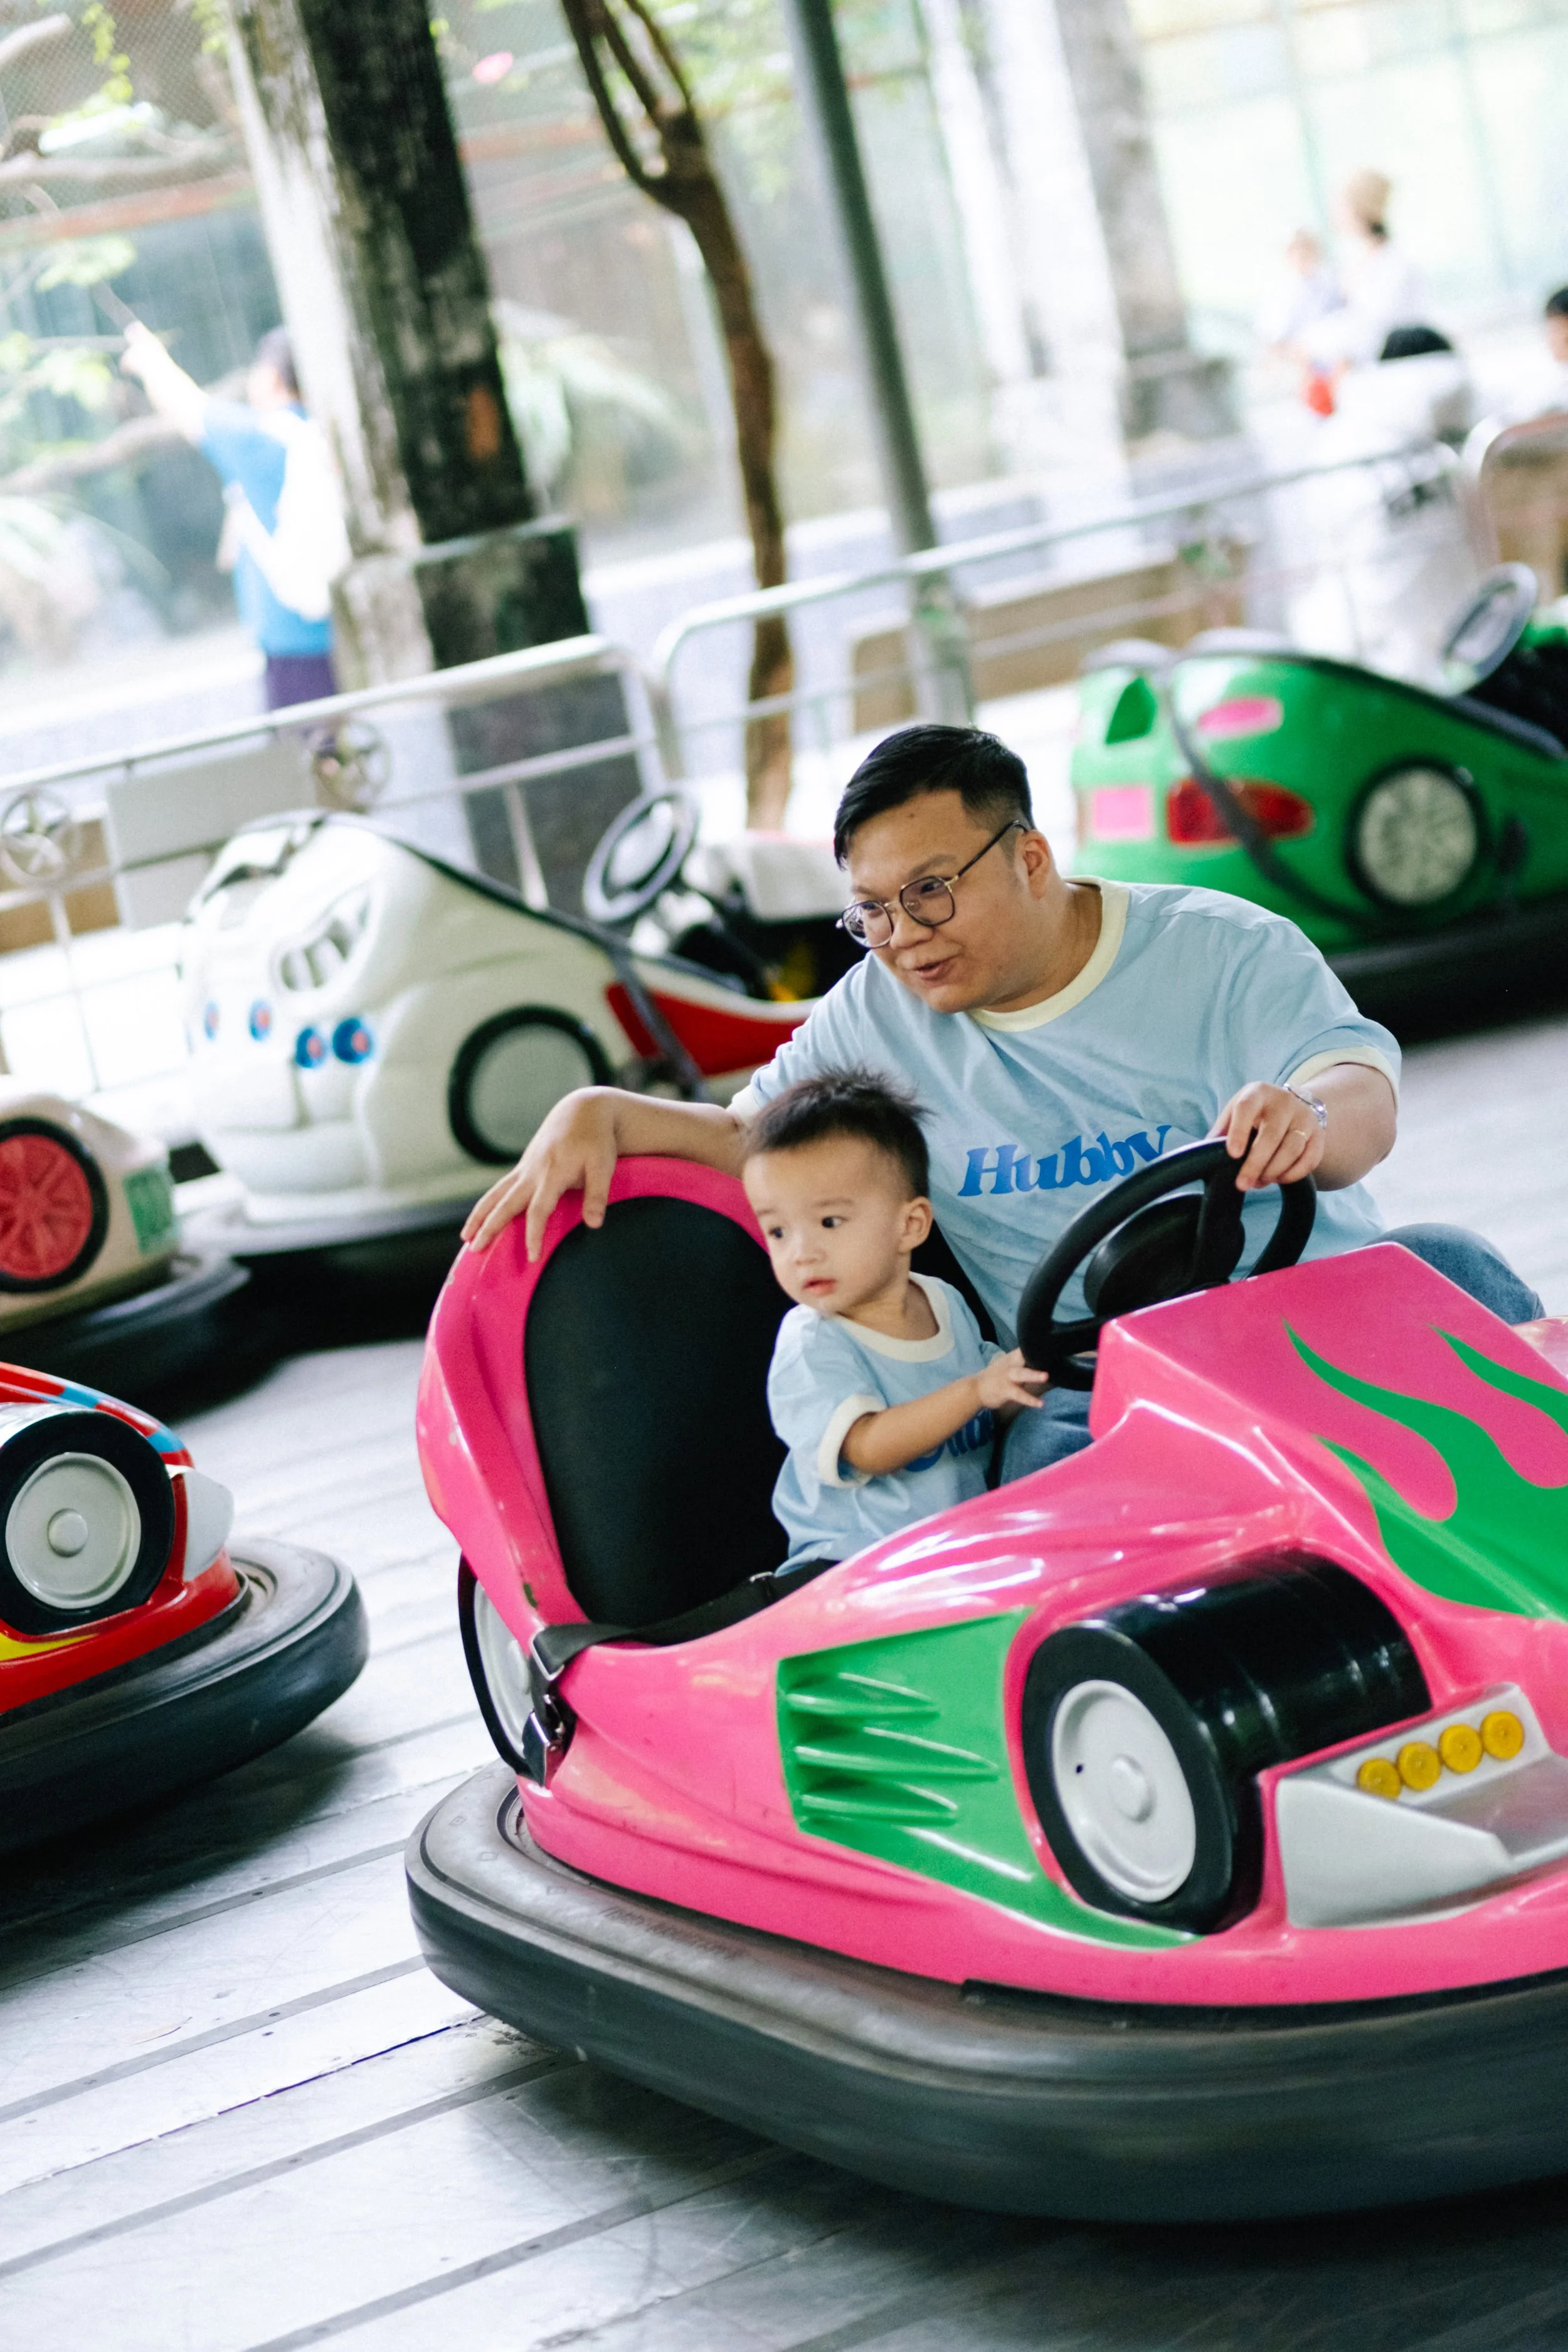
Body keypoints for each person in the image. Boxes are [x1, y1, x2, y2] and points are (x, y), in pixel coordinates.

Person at [464, 724, 1543, 1481]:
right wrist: (601, 1110)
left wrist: (1307, 1117)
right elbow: (762, 1138)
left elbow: (1356, 1092)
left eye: (930, 891)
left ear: (1030, 856)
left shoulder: (1223, 949)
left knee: (1460, 1271)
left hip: (1311, 1319)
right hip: (1102, 1390)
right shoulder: (877, 1013)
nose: (904, 935)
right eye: (872, 912)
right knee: (1034, 1460)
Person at [741, 1069, 1047, 1566]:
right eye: (778, 1232)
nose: (801, 1253)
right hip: (853, 1567)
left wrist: (1044, 1368)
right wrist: (976, 1391)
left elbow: (995, 1398)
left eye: (829, 1222)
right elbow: (868, 1447)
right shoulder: (812, 1342)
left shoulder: (942, 1302)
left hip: (956, 1555)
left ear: (910, 1225)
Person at [120, 320, 349, 710]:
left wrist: (150, 360)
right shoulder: (312, 433)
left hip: (293, 637)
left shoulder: (266, 439)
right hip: (329, 631)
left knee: (309, 756)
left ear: (273, 377)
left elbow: (188, 408)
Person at [1300, 169, 1428, 375]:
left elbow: (1377, 327)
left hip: (1395, 366)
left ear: (1358, 210)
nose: (1334, 214)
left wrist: (1319, 343)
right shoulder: (1354, 258)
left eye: (1340, 206)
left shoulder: (1395, 264)